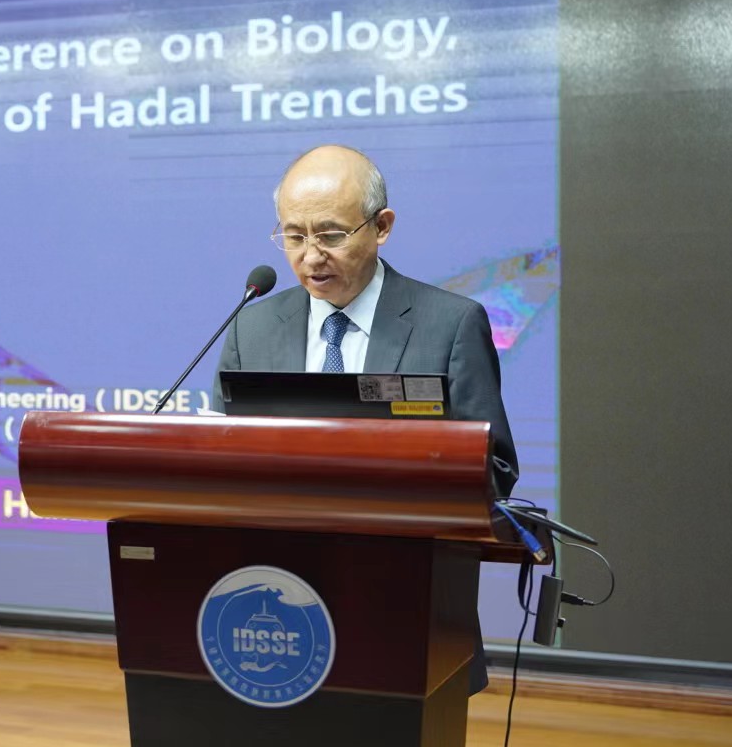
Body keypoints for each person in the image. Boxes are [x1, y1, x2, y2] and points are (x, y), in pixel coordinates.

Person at [213, 144, 518, 694]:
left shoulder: (450, 325)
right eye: (293, 236)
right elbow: (218, 457)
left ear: (382, 227)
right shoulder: (250, 329)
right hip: (276, 610)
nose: (310, 256)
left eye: (330, 235)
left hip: (405, 602)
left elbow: (494, 469)